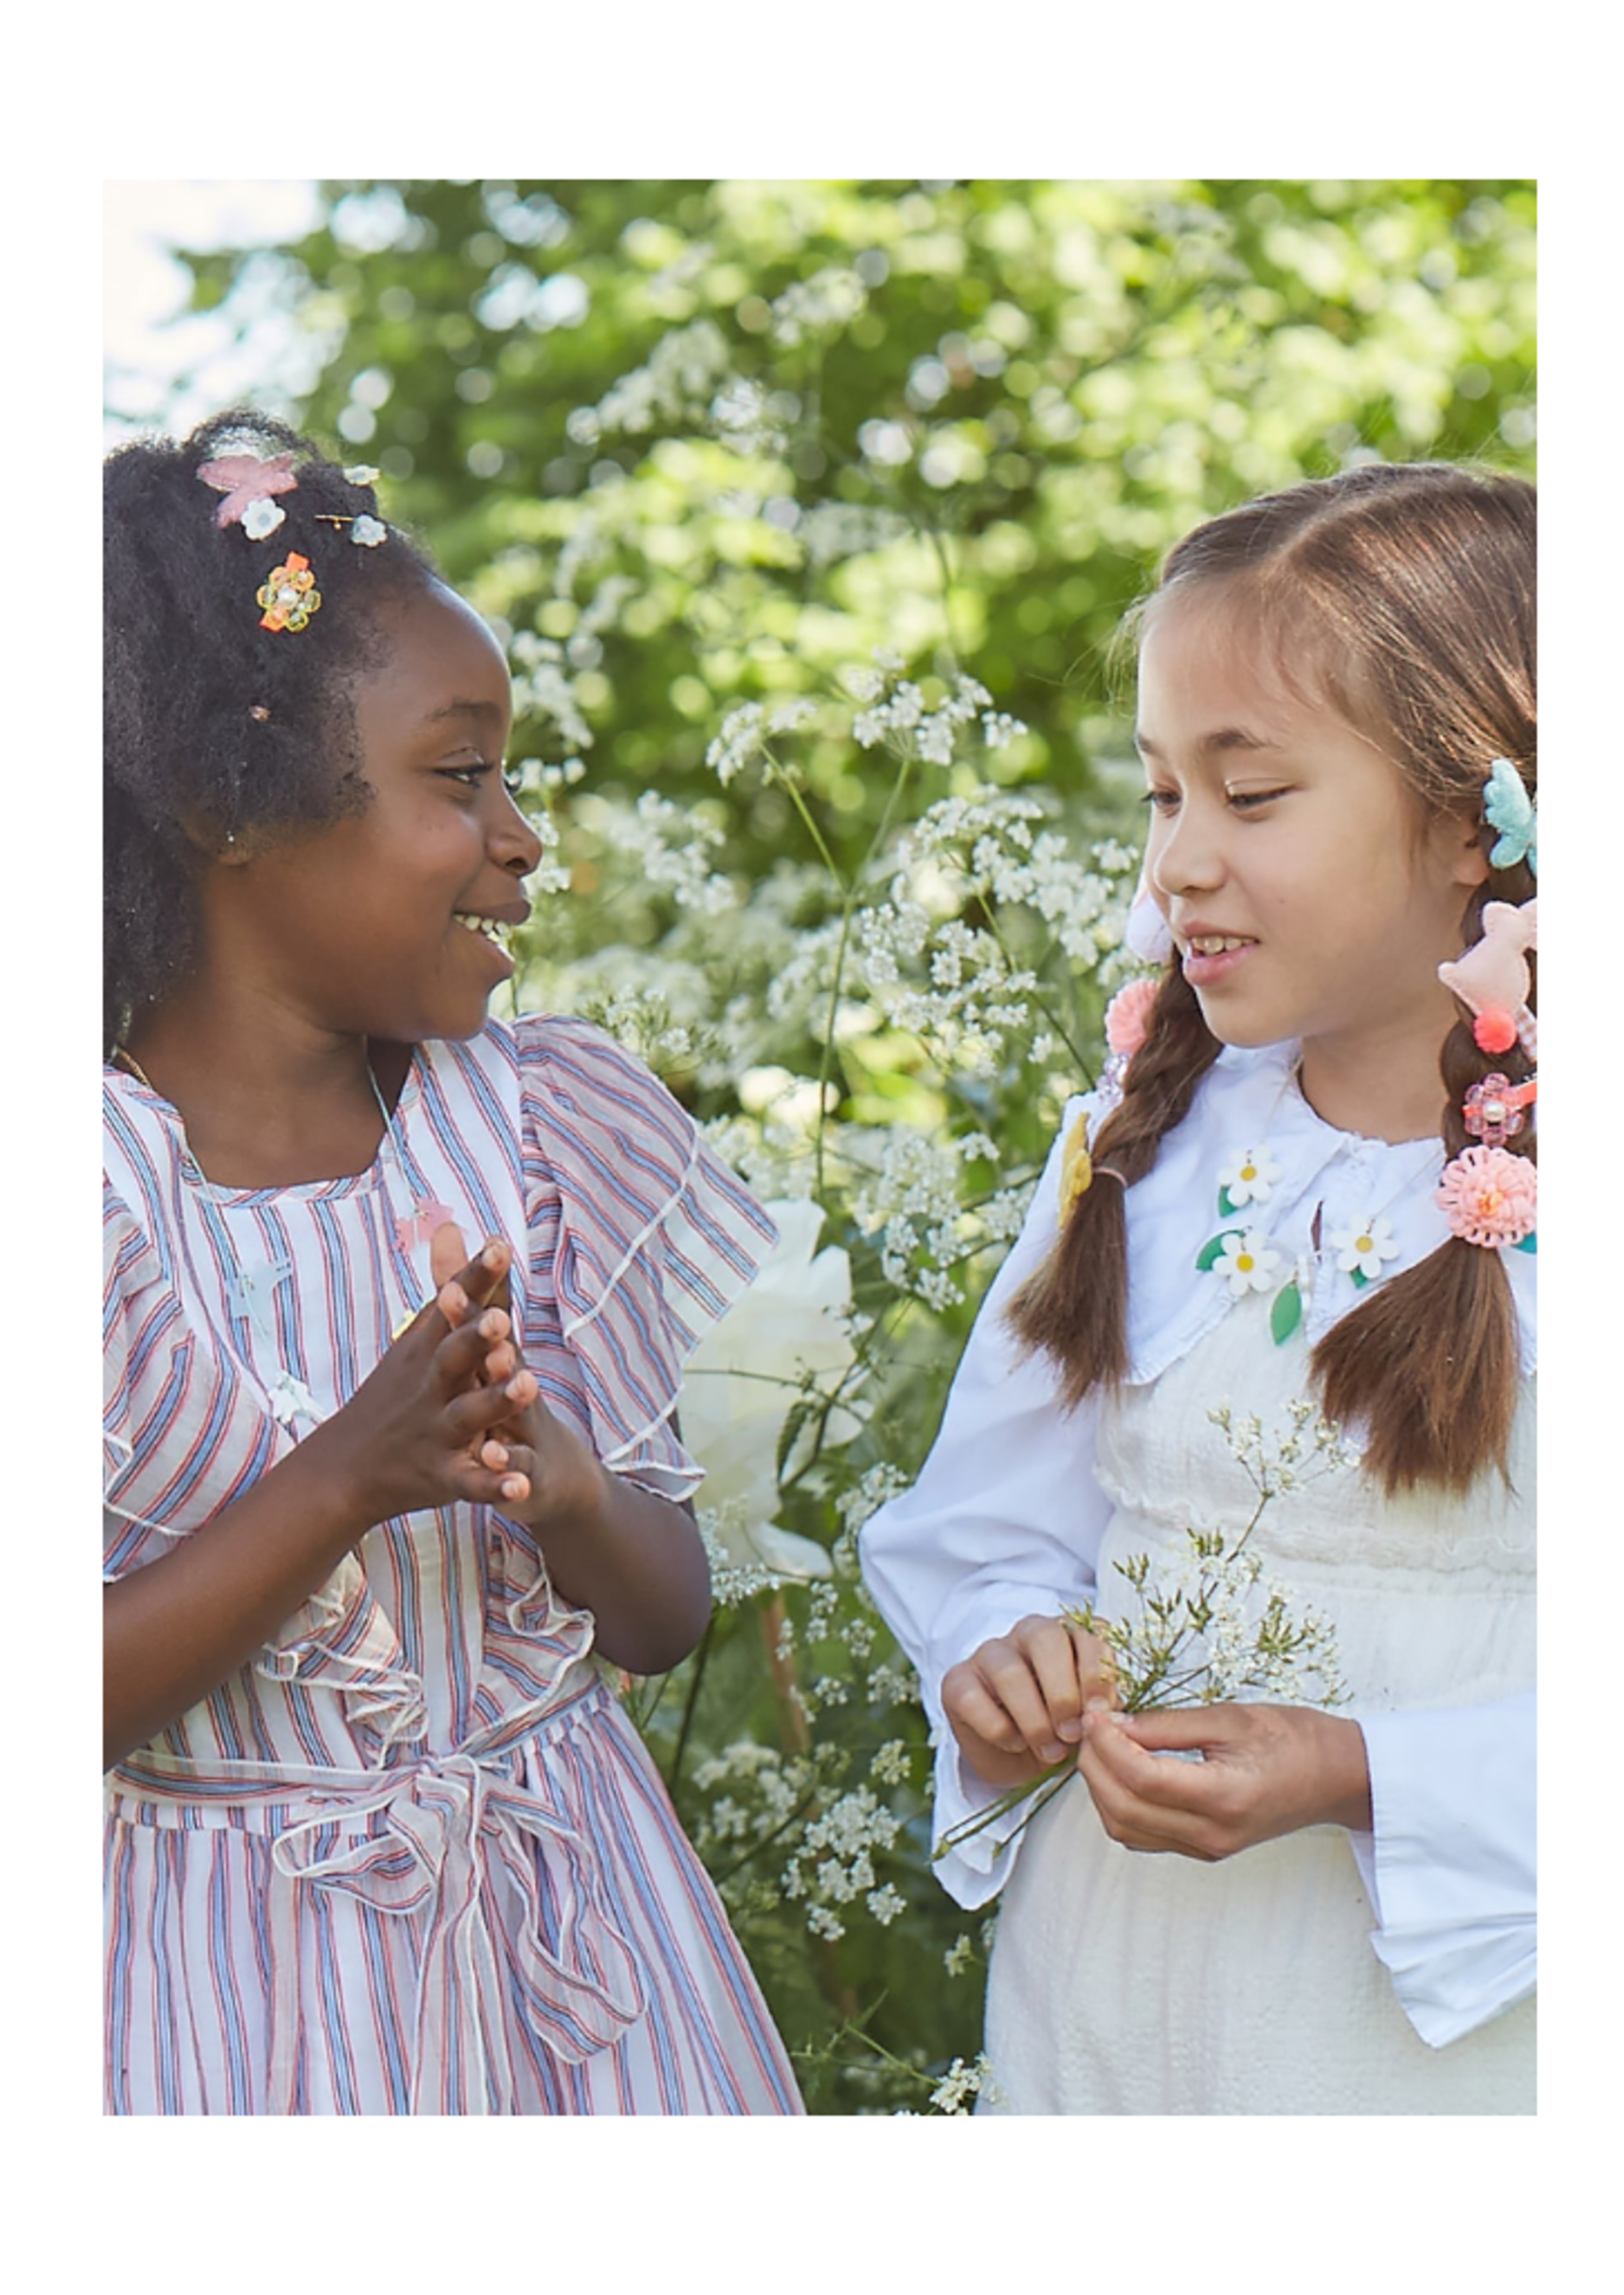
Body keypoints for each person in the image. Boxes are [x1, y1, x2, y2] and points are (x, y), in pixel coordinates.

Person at [102, 412, 804, 2115]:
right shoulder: (92, 1197)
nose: (523, 835)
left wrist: (560, 1485)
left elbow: (664, 1615)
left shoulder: (536, 1127)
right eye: (460, 773)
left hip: (590, 1970)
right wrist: (345, 1476)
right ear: (232, 806)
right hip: (234, 2003)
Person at [859, 461, 1537, 2114]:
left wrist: (1372, 1775)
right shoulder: (1139, 1141)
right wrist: (1003, 1651)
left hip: (1443, 2037)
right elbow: (991, 1525)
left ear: (1473, 819)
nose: (1177, 862)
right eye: (1164, 794)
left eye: (1251, 795)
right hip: (1108, 1989)